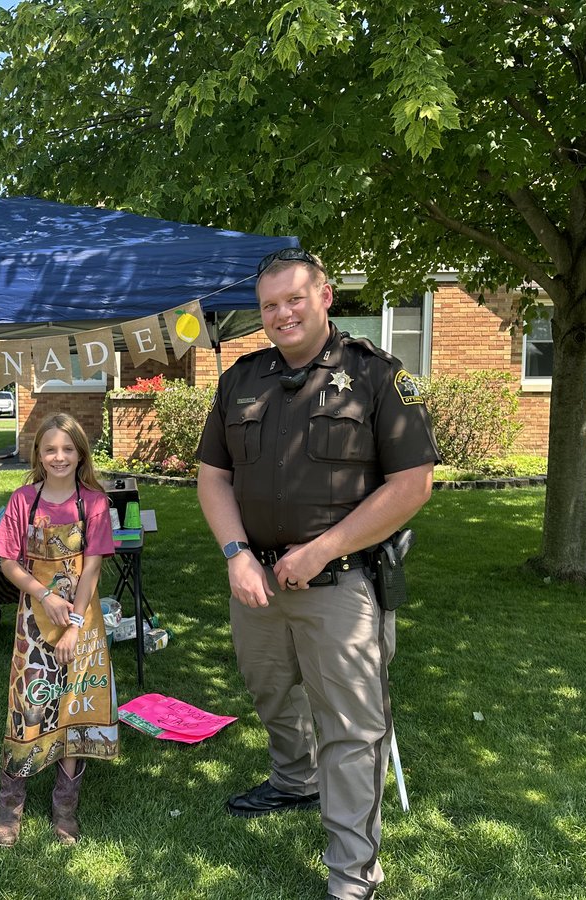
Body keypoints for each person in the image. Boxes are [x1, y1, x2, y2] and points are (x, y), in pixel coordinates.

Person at [196, 249, 439, 900]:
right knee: (270, 690)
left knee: (352, 730)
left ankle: (352, 875)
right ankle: (294, 781)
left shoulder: (378, 377)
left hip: (342, 586)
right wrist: (235, 554)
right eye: (269, 305)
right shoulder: (241, 379)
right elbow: (213, 476)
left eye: (294, 299)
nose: (281, 314)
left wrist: (325, 547)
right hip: (256, 582)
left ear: (326, 296)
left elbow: (413, 483)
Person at [0, 412, 118, 847]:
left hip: (82, 625)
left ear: (81, 452)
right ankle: (11, 805)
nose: (59, 456)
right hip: (34, 624)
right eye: (49, 449)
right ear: (38, 455)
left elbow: (93, 567)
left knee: (74, 709)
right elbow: (7, 562)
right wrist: (45, 596)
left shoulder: (94, 502)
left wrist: (75, 626)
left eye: (67, 448)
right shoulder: (24, 499)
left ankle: (65, 808)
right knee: (28, 707)